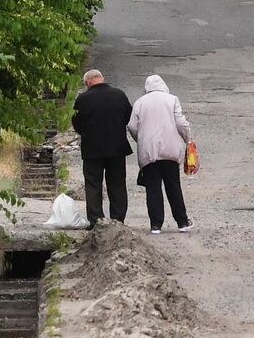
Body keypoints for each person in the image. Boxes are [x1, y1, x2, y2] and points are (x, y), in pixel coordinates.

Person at [128, 74, 193, 235]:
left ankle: (156, 225)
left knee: (153, 188)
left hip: (148, 152)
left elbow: (132, 126)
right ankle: (182, 222)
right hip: (170, 151)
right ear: (163, 85)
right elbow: (180, 123)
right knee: (173, 186)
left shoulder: (139, 103)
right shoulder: (172, 99)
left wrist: (141, 140)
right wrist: (188, 138)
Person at [71, 68, 132, 227]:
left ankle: (96, 220)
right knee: (117, 183)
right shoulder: (119, 95)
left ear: (87, 83)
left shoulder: (83, 99)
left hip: (92, 149)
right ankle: (118, 220)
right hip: (117, 148)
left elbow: (77, 124)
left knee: (93, 185)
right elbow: (128, 117)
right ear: (102, 79)